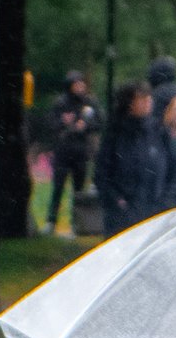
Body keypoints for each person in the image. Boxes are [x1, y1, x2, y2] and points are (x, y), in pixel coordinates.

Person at [95, 80, 169, 230]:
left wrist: (166, 201)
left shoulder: (159, 131)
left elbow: (174, 170)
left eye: (149, 98)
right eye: (142, 98)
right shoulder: (115, 134)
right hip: (122, 216)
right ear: (129, 103)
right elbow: (102, 174)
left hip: (156, 212)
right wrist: (117, 201)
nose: (148, 102)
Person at [46, 71, 100, 236]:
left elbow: (99, 122)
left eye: (82, 84)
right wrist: (65, 124)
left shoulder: (89, 104)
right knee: (58, 187)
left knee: (79, 190)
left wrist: (86, 126)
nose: (80, 87)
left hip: (81, 152)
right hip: (63, 151)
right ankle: (51, 220)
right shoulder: (61, 104)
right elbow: (51, 124)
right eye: (76, 84)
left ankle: (77, 223)